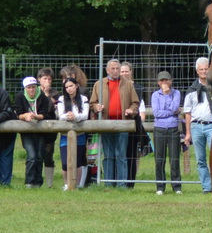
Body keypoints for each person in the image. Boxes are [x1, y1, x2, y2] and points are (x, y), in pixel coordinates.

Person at [90, 57, 136, 188]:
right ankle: (108, 183)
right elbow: (92, 103)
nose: (115, 71)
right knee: (108, 155)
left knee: (121, 155)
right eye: (113, 69)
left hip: (123, 124)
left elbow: (135, 103)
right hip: (106, 124)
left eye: (117, 68)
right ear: (107, 70)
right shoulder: (99, 84)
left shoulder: (128, 84)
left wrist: (131, 110)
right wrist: (96, 107)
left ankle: (122, 184)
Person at [181, 57, 212, 194]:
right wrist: (188, 133)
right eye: (201, 69)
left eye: (206, 69)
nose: (204, 71)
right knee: (200, 159)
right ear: (197, 71)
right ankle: (207, 187)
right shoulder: (191, 90)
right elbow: (187, 112)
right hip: (197, 126)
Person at [13, 75, 54, 188]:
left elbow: (44, 114)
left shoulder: (42, 97)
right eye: (29, 87)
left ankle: (38, 182)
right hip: (26, 130)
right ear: (25, 88)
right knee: (31, 156)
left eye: (33, 87)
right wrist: (25, 116)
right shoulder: (20, 97)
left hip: (40, 129)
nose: (31, 90)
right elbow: (18, 114)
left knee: (40, 156)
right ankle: (29, 182)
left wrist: (35, 116)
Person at [146, 71, 183, 194]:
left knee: (174, 159)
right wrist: (172, 112)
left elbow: (174, 107)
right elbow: (156, 113)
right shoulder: (155, 95)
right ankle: (160, 187)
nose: (164, 83)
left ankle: (177, 187)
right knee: (159, 159)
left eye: (166, 80)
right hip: (159, 129)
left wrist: (167, 95)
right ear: (158, 82)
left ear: (170, 81)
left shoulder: (176, 93)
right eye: (162, 80)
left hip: (173, 129)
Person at [56, 72, 91, 189]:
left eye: (71, 86)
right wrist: (68, 116)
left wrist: (75, 116)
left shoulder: (84, 99)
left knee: (78, 162)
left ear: (76, 86)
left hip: (80, 134)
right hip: (65, 135)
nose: (69, 89)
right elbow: (61, 115)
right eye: (66, 87)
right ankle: (67, 184)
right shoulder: (61, 99)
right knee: (65, 163)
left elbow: (85, 115)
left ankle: (78, 184)